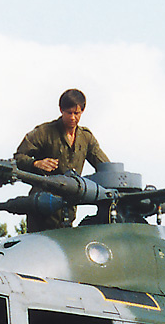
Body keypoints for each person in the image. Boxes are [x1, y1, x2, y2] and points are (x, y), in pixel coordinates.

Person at [14, 88, 110, 232]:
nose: (72, 118)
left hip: (68, 210)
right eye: (68, 113)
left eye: (76, 113)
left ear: (82, 111)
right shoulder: (44, 132)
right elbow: (18, 158)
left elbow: (105, 167)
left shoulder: (86, 138)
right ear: (61, 110)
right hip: (41, 208)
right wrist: (35, 163)